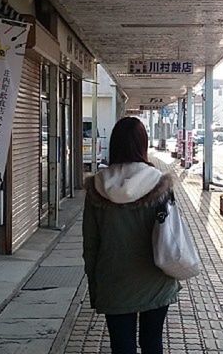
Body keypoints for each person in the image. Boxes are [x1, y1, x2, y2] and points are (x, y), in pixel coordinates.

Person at [82, 116, 180, 354]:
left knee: (122, 346)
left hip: (114, 280)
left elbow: (91, 244)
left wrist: (95, 286)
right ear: (142, 144)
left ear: (114, 144)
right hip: (156, 278)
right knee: (152, 342)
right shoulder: (159, 183)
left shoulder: (97, 186)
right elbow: (172, 234)